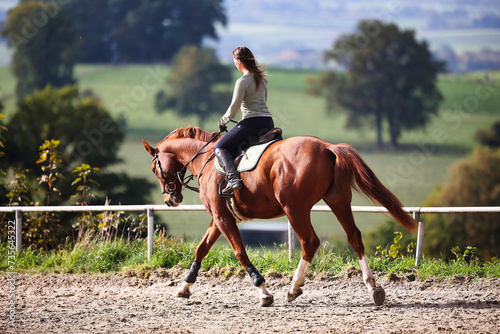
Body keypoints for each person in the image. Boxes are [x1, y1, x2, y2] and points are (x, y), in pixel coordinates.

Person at [214, 46, 274, 196]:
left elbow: (234, 108)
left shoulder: (243, 81)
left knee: (220, 147)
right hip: (268, 122)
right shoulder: (262, 79)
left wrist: (223, 120)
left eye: (234, 60)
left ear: (239, 61)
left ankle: (233, 180)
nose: (234, 63)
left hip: (251, 123)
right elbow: (263, 103)